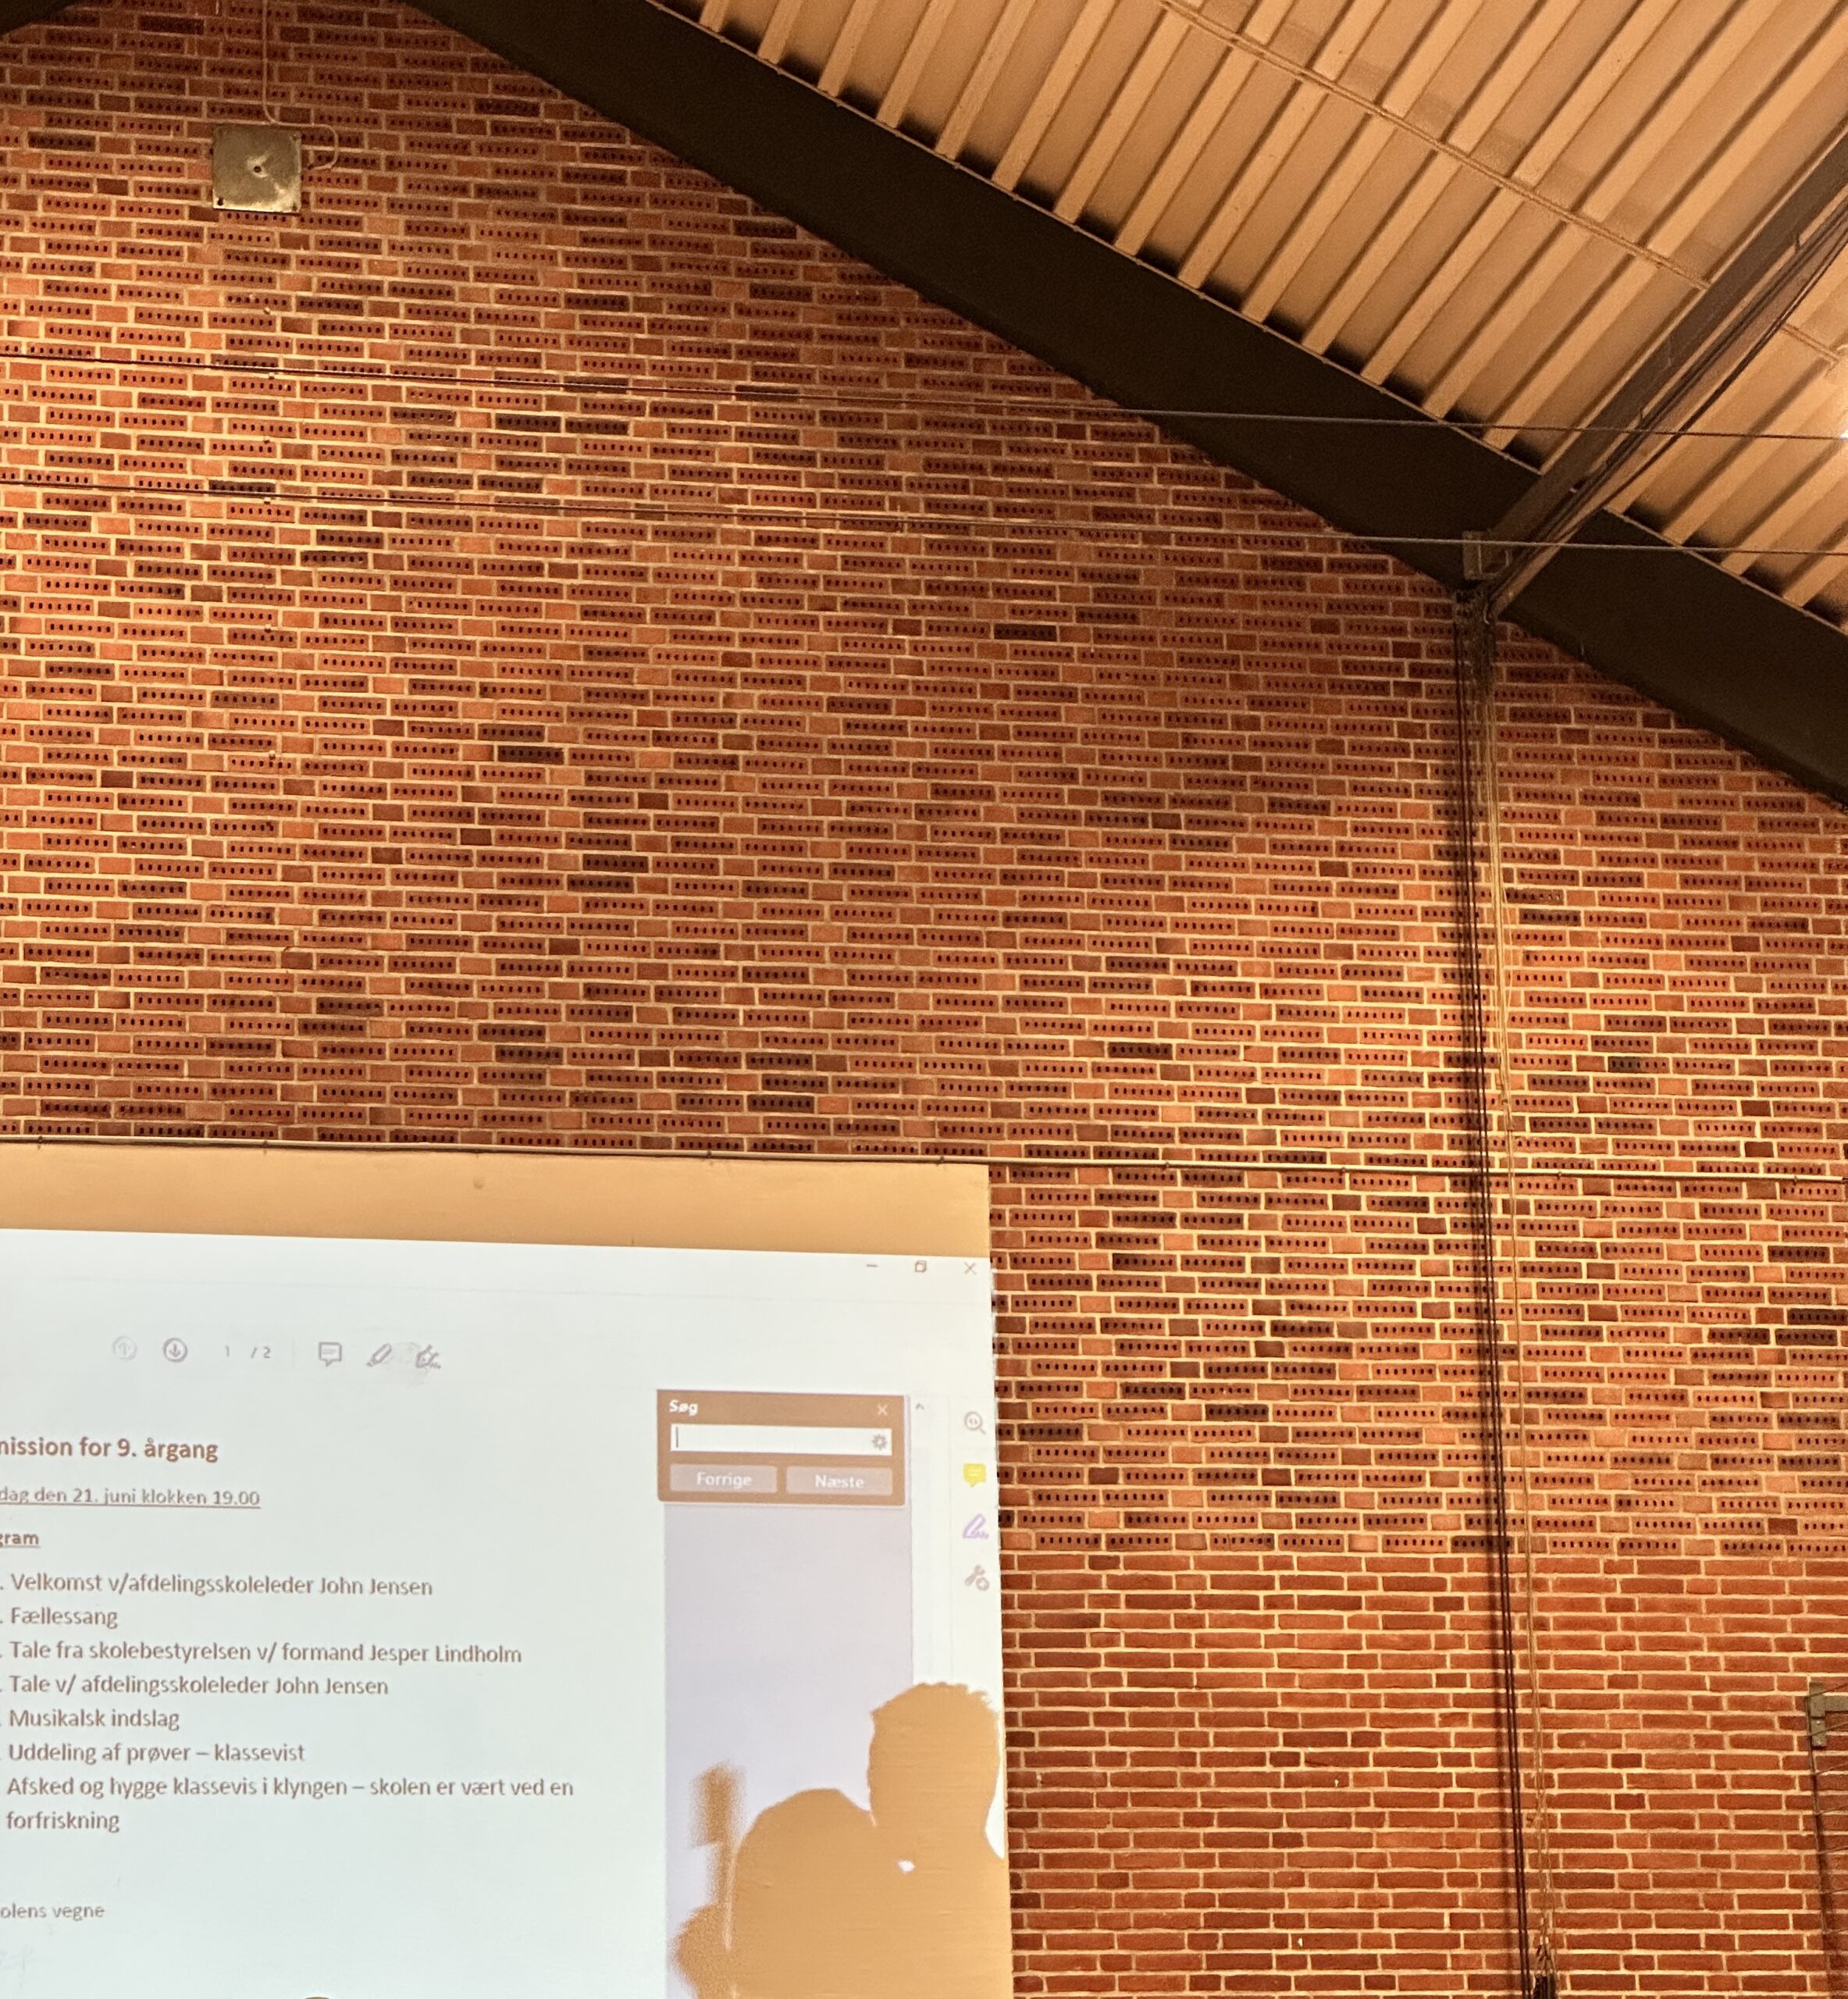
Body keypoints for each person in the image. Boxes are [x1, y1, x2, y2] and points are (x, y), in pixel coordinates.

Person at [675, 1682, 1010, 1999]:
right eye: (873, 1777)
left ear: (945, 1786)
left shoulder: (911, 1920)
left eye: (886, 1775)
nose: (875, 1795)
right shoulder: (992, 1904)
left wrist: (718, 1980)